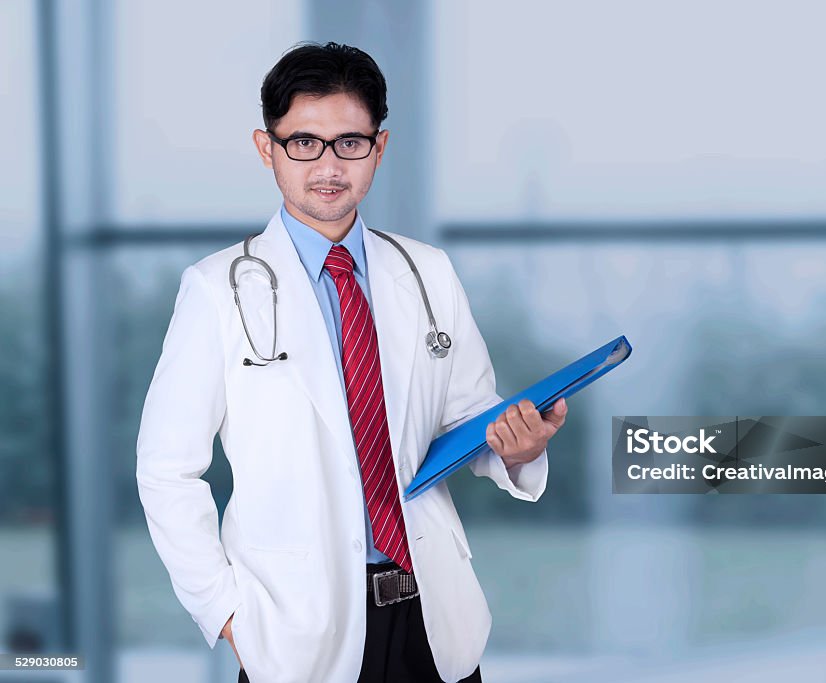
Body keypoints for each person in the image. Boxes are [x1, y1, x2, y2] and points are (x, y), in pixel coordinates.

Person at [135, 42, 568, 683]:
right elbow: (166, 470)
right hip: (297, 633)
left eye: (349, 143)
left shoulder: (428, 272)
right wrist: (225, 612)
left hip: (432, 619)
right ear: (267, 148)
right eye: (304, 142)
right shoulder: (217, 287)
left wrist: (517, 449)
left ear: (379, 148)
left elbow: (469, 421)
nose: (328, 165)